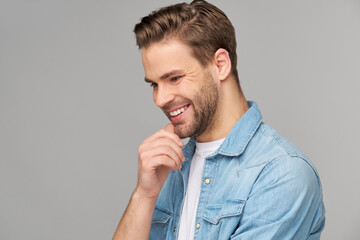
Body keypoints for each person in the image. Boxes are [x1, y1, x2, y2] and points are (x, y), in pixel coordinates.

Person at [112, 0, 325, 239]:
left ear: (220, 65)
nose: (160, 99)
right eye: (154, 84)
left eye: (174, 78)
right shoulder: (170, 169)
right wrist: (144, 195)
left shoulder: (282, 173)